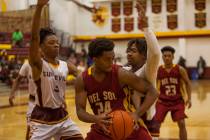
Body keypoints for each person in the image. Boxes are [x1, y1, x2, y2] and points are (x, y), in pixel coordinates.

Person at [75, 38, 159, 140]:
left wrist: (137, 114)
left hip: (128, 125)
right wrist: (96, 118)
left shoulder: (120, 73)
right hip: (102, 128)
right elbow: (80, 111)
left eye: (113, 58)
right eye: (107, 59)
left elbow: (153, 92)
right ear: (95, 59)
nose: (111, 62)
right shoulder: (82, 79)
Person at [29, 0, 84, 139]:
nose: (56, 45)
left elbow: (83, 77)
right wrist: (39, 7)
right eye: (51, 43)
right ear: (41, 47)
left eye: (57, 43)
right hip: (42, 118)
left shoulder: (66, 65)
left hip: (61, 116)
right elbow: (34, 38)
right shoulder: (38, 64)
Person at [123, 1, 161, 139]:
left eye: (133, 51)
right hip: (126, 119)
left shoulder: (147, 71)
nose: (128, 53)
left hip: (147, 121)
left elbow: (156, 53)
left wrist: (145, 27)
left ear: (144, 55)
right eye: (128, 51)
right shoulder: (123, 70)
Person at [154, 46, 192, 140]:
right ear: (162, 57)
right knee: (155, 124)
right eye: (165, 56)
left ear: (173, 57)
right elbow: (152, 85)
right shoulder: (158, 70)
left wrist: (189, 98)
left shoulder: (180, 69)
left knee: (182, 123)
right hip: (162, 101)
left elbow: (188, 83)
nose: (167, 58)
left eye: (169, 56)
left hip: (177, 101)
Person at [9, 61, 36, 140]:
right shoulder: (27, 64)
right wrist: (12, 94)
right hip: (33, 102)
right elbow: (18, 79)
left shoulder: (48, 63)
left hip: (46, 103)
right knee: (30, 129)